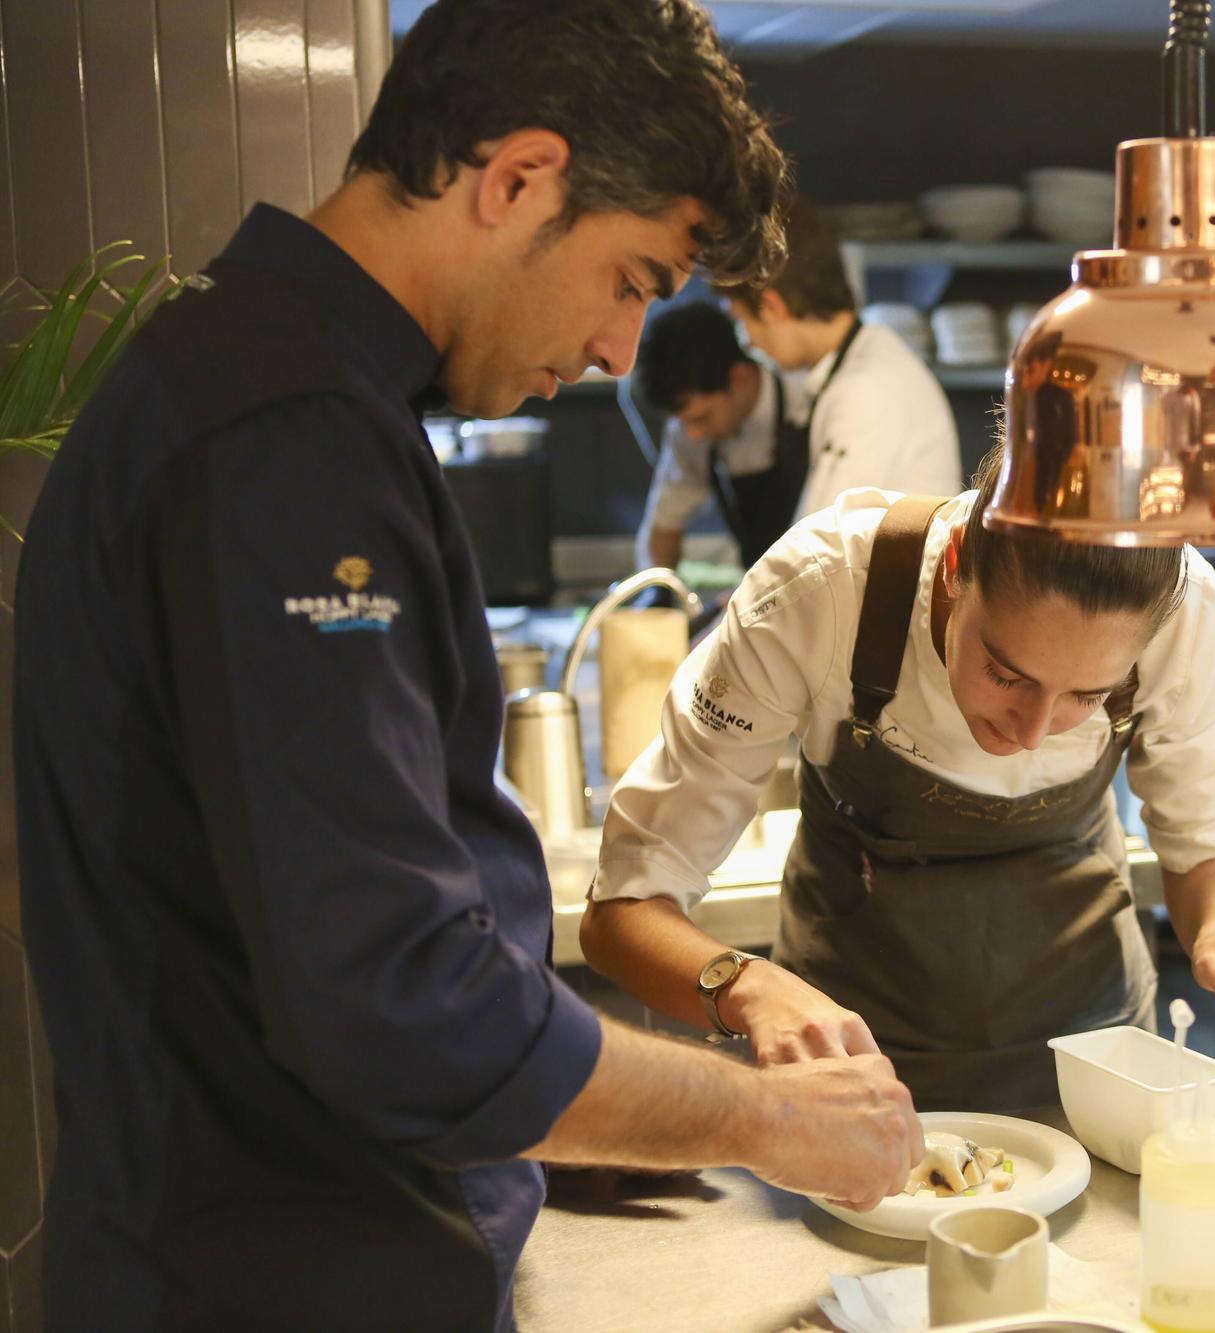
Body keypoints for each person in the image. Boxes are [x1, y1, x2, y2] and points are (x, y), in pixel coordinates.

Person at [11, 3, 920, 1329]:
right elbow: (400, 1004)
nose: (619, 351)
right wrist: (767, 1117)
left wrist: (604, 1111)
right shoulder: (289, 443)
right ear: (518, 179)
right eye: (633, 281)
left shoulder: (268, 381)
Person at [582, 450, 1215, 1113]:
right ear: (953, 571)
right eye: (1007, 673)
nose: (1033, 730)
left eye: (1088, 696)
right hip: (849, 1064)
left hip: (1095, 1059)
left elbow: (1209, 835)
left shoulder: (1182, 611)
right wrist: (743, 987)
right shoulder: (821, 593)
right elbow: (622, 911)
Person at [714, 198, 965, 521]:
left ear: (772, 307)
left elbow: (815, 552)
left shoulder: (868, 389)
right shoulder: (846, 367)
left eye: (742, 320)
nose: (747, 339)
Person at [632, 300, 804, 571]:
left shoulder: (804, 403)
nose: (694, 434)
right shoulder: (687, 433)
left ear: (740, 378)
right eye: (684, 423)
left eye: (702, 418)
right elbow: (664, 526)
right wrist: (656, 593)